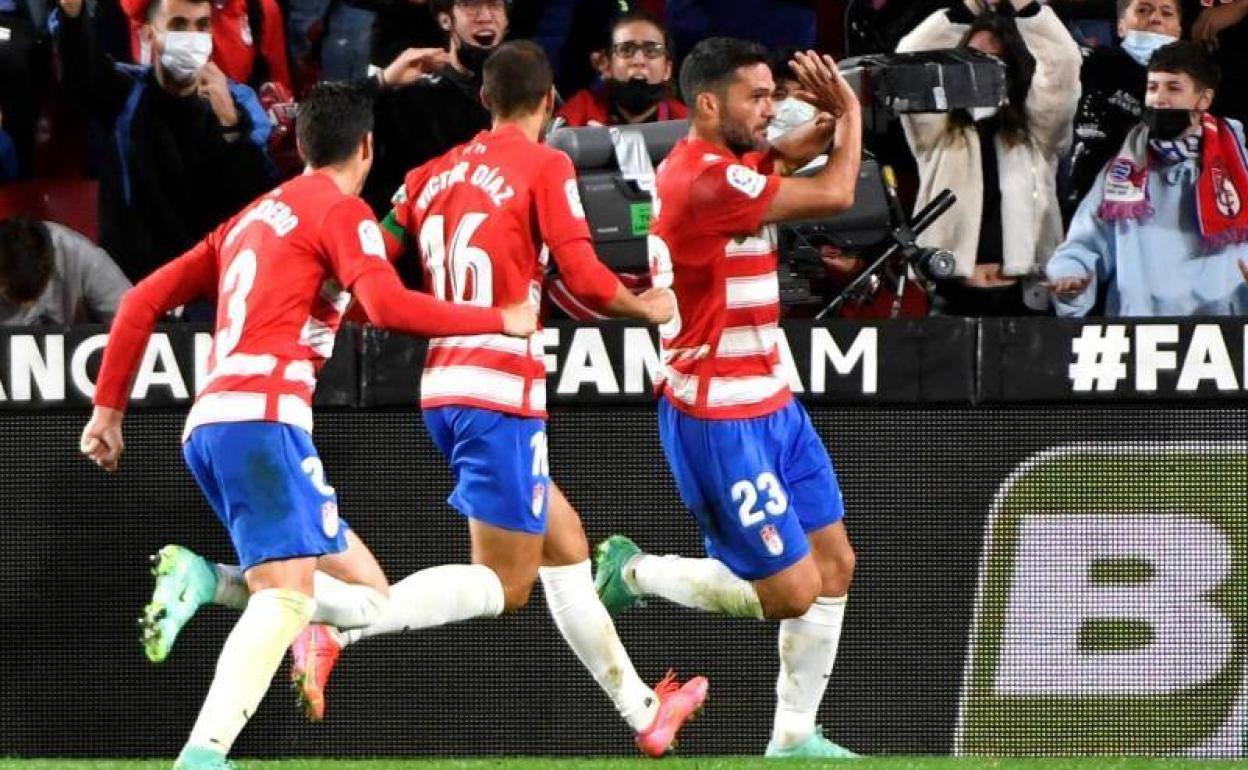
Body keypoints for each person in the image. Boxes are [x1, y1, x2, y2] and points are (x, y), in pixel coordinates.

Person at [78, 81, 536, 770]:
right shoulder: (343, 212)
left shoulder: (251, 218)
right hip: (264, 420)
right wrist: (497, 319)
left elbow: (142, 298)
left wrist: (107, 411)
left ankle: (206, 579)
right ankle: (202, 756)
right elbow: (386, 305)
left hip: (213, 425)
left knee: (366, 600)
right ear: (368, 147)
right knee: (287, 600)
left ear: (297, 144)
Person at [279, 41, 708, 759]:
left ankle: (644, 713)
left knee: (566, 548)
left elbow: (371, 258)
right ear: (551, 104)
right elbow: (588, 277)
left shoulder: (426, 175)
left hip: (444, 385)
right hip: (500, 390)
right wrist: (651, 305)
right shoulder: (547, 164)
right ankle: (338, 627)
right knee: (505, 586)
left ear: (483, 100)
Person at [592, 38, 864, 759]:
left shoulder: (727, 164)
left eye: (775, 95)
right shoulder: (701, 181)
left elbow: (784, 154)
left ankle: (793, 741)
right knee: (791, 593)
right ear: (708, 104)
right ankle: (635, 572)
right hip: (718, 417)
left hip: (773, 400)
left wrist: (828, 120)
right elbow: (836, 192)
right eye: (758, 97)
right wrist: (853, 115)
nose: (771, 110)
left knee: (834, 566)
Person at [54, 0, 274, 283]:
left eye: (202, 26)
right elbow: (81, 72)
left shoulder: (238, 105)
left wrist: (230, 126)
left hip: (207, 285)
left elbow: (254, 205)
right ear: (148, 34)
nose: (193, 38)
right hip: (133, 283)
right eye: (178, 25)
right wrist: (72, 15)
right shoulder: (124, 94)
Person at [897, 0, 1082, 316]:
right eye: (971, 59)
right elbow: (909, 60)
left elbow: (1062, 65)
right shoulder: (936, 131)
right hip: (952, 296)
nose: (980, 70)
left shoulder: (1038, 134)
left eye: (994, 61)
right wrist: (967, 9)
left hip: (1023, 298)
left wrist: (1027, 9)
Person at [1046, 41, 1248, 315]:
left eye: (1173, 88)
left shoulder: (1240, 164)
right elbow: (1086, 242)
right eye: (1153, 87)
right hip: (1141, 338)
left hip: (1225, 336)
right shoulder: (1122, 170)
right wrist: (1070, 276)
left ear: (1204, 99)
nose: (1159, 98)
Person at [359, 0, 507, 214]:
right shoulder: (413, 99)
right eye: (471, 5)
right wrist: (381, 82)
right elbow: (324, 123)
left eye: (495, 5)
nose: (485, 16)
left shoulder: (528, 92)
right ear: (445, 19)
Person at [1065, 0, 1184, 219]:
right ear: (1120, 26)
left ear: (1178, 32)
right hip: (1080, 206)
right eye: (1143, 10)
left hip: (1156, 215)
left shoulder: (1190, 90)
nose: (1155, 18)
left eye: (1167, 13)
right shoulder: (1086, 67)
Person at [556, 10, 687, 128]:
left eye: (652, 50)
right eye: (626, 50)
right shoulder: (579, 114)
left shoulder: (686, 124)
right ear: (606, 65)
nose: (639, 60)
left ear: (667, 69)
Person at [0, 216, 132, 325]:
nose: (28, 306)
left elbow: (132, 319)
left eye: (35, 295)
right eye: (11, 295)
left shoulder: (82, 255)